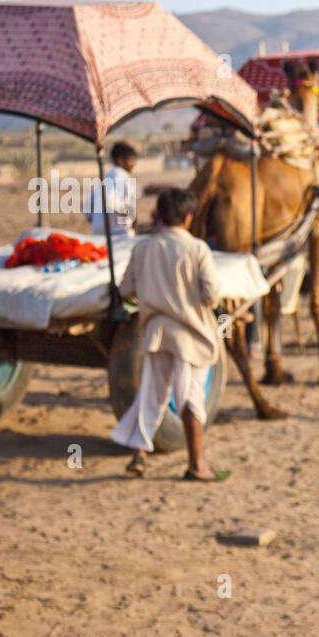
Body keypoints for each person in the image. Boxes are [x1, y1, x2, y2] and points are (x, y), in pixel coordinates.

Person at [111, 188, 229, 481]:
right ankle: (196, 463)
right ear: (188, 218)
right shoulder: (197, 249)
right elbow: (212, 294)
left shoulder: (142, 248)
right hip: (189, 335)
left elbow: (126, 289)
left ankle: (139, 455)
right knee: (190, 397)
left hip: (154, 332)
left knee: (152, 394)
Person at [84, 141, 139, 238]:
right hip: (118, 234)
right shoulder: (121, 176)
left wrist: (98, 223)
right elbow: (110, 202)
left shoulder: (106, 177)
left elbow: (87, 207)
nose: (133, 164)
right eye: (131, 160)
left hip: (98, 234)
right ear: (120, 160)